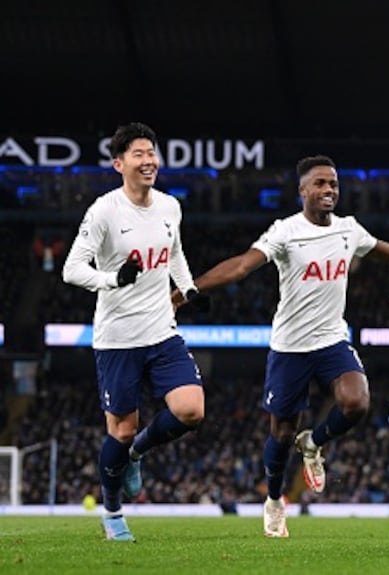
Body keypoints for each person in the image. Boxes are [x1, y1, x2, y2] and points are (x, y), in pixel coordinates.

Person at [173, 154, 389, 538]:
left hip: (332, 340)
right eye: (320, 184)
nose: (329, 190)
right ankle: (275, 500)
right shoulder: (284, 231)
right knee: (280, 434)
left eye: (333, 183)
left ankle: (314, 443)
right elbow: (242, 265)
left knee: (357, 402)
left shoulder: (348, 229)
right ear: (302, 191)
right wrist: (190, 289)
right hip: (290, 347)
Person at [62, 122, 206, 542]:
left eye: (152, 153)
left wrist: (190, 289)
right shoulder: (104, 210)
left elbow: (174, 252)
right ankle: (112, 513)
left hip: (162, 330)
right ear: (118, 163)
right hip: (118, 338)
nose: (149, 161)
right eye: (139, 155)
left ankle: (139, 451)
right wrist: (113, 280)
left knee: (191, 410)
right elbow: (72, 269)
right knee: (119, 431)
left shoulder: (169, 207)